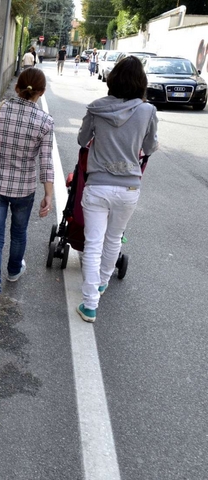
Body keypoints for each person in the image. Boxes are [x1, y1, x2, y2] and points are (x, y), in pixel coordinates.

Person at [76, 56, 159, 322]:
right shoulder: (147, 111)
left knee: (93, 243)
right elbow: (149, 148)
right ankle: (102, 283)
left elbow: (81, 139)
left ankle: (90, 304)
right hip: (128, 189)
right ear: (140, 83)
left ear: (112, 79)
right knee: (113, 239)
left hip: (98, 186)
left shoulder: (96, 107)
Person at [0, 68, 55, 304]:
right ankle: (13, 271)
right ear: (41, 93)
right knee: (18, 233)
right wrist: (48, 194)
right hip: (24, 189)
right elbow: (46, 161)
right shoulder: (45, 122)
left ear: (17, 88)